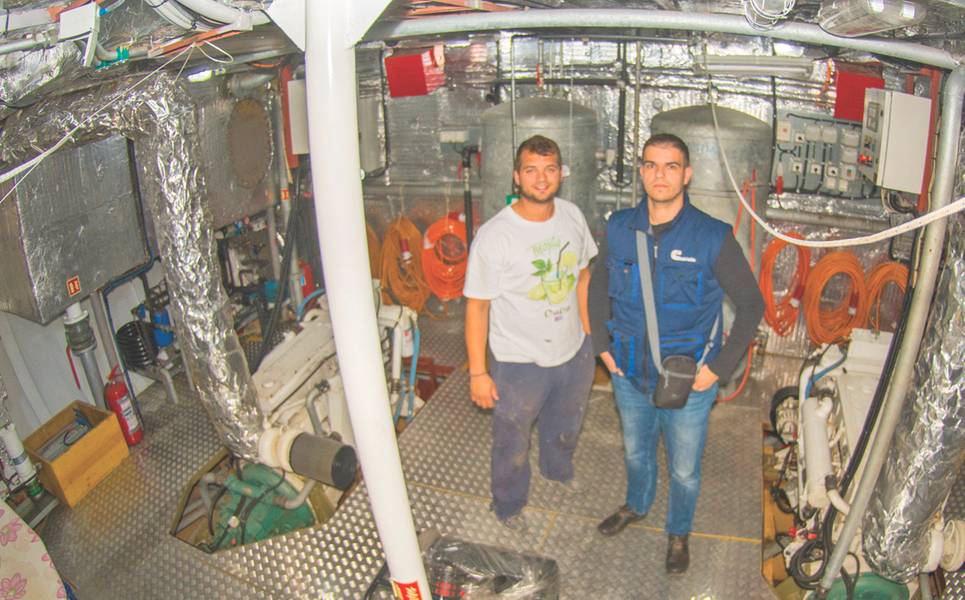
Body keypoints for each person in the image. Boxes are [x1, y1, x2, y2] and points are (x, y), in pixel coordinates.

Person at [589, 133, 763, 573]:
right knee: (635, 453)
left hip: (689, 380)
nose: (659, 174)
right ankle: (637, 505)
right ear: (642, 171)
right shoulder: (618, 227)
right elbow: (597, 288)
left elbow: (751, 306)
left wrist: (717, 370)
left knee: (684, 470)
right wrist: (603, 352)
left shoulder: (712, 237)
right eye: (651, 165)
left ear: (686, 174)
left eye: (670, 166)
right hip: (628, 373)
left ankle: (679, 531)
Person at [464, 135, 597, 532]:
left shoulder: (572, 215)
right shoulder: (495, 235)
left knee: (566, 424)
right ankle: (508, 504)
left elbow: (583, 275)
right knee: (512, 441)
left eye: (550, 169)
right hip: (519, 361)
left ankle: (558, 472)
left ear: (561, 174)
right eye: (532, 171)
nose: (542, 179)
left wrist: (588, 337)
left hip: (573, 352)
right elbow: (478, 306)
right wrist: (478, 373)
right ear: (517, 177)